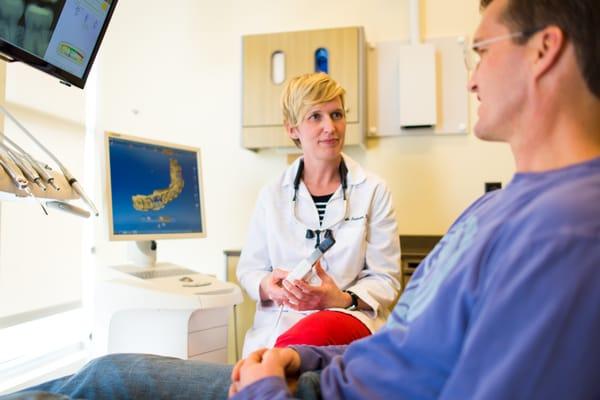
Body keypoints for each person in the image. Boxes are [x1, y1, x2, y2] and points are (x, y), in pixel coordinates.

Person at [3, 0, 599, 398]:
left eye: (481, 51)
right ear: (294, 129)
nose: (470, 76)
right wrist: (293, 341)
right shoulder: (499, 208)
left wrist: (328, 307)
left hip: (327, 358)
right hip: (306, 362)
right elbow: (408, 341)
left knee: (107, 376)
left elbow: (389, 293)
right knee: (105, 372)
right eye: (315, 117)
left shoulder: (566, 230)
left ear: (544, 50)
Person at [237, 72, 401, 355]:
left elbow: (385, 279)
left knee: (292, 355)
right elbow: (250, 270)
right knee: (275, 365)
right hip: (280, 322)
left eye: (336, 114)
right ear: (292, 129)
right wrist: (269, 286)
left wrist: (339, 298)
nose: (330, 127)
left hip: (346, 318)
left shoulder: (373, 190)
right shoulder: (273, 194)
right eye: (316, 117)